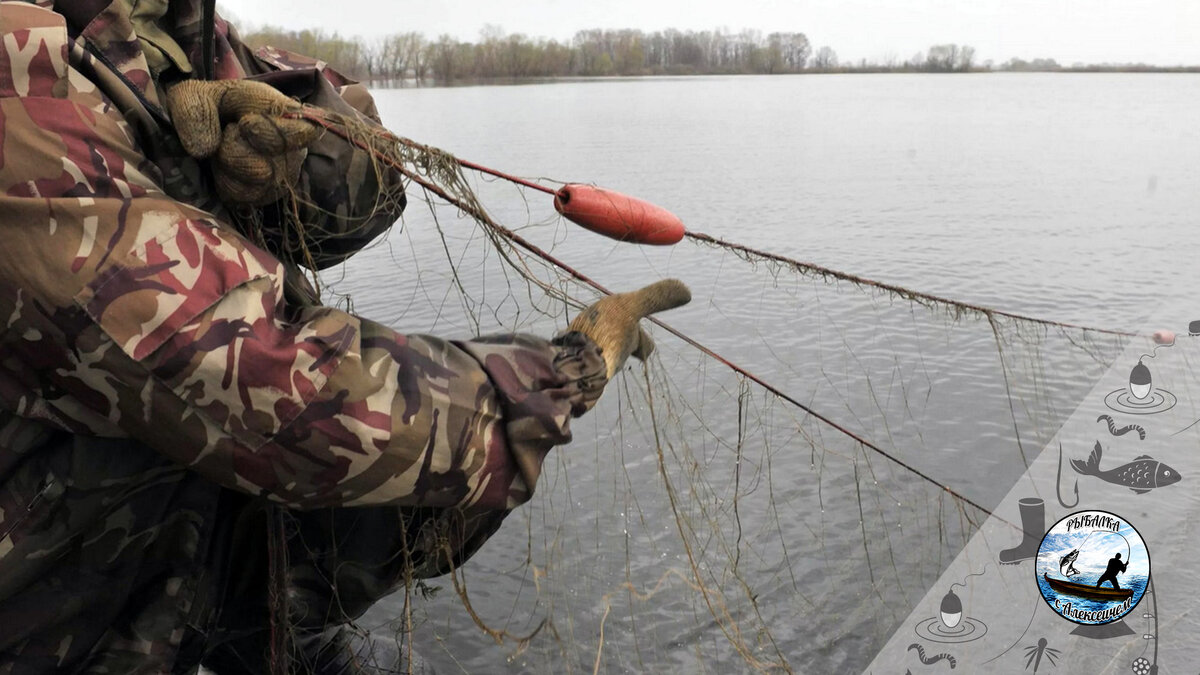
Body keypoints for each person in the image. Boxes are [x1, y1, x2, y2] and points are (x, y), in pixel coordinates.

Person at [0, 2, 689, 673]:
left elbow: (375, 193)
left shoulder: (168, 29)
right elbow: (272, 391)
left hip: (170, 551)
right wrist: (564, 374)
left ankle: (258, 631)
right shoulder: (14, 85)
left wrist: (297, 154)